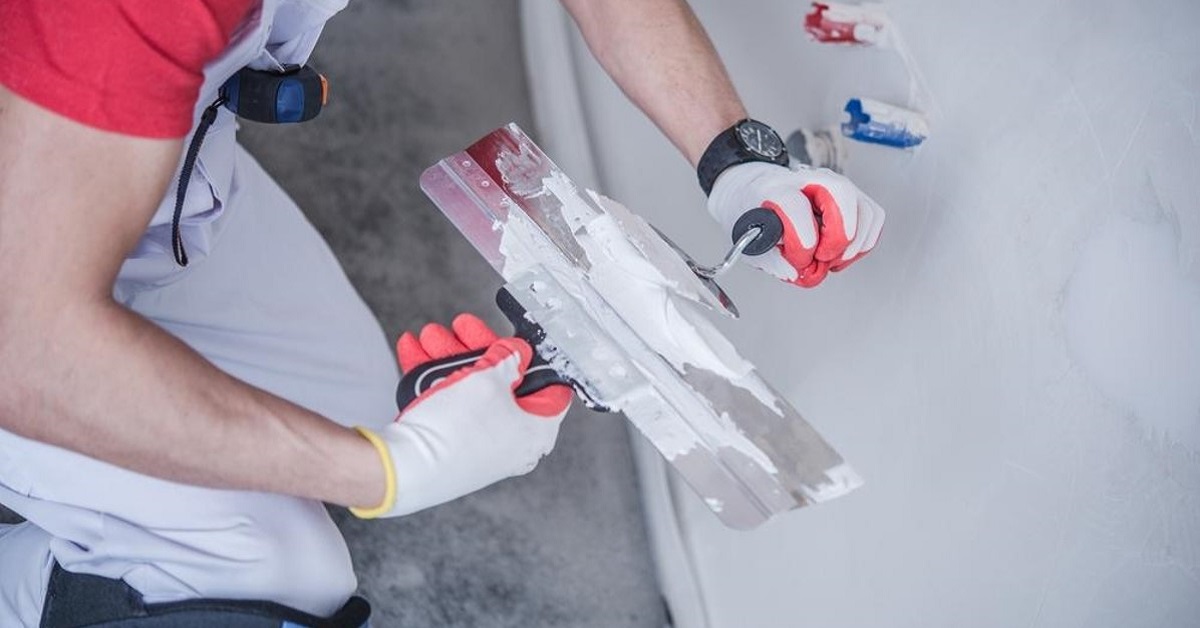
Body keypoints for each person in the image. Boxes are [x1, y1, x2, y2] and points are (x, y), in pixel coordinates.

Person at [0, 0, 885, 624]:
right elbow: (28, 348)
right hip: (22, 269)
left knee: (334, 417)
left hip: (139, 176)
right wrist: (386, 470)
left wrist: (737, 158)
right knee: (272, 568)